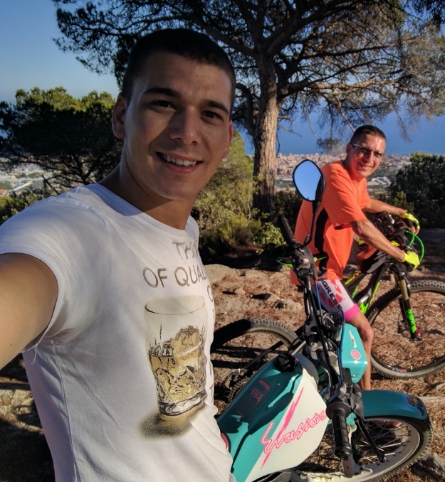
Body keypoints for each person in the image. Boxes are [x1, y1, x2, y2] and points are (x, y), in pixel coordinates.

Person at [0, 29, 236, 481]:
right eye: (163, 103)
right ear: (121, 117)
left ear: (226, 138)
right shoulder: (69, 233)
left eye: (209, 113)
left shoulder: (180, 227)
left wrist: (201, 434)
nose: (187, 132)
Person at [292, 125, 420, 391]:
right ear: (350, 149)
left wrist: (400, 211)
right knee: (364, 331)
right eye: (364, 150)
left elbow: (365, 202)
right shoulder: (335, 177)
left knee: (329, 328)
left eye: (377, 154)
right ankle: (367, 403)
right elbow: (361, 226)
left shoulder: (354, 178)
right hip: (318, 272)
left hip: (326, 268)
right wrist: (400, 254)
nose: (370, 159)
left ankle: (319, 366)